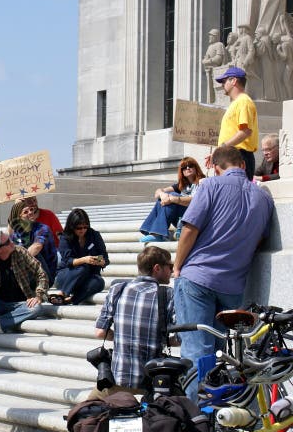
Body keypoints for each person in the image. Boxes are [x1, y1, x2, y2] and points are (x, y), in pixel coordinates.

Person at [173, 146, 274, 401]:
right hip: (233, 286)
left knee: (197, 351)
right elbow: (260, 240)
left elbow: (190, 229)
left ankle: (196, 417)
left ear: (216, 168)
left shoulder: (210, 186)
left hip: (198, 278)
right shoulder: (263, 198)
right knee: (219, 355)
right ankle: (213, 413)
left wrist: (177, 266)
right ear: (243, 165)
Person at [91, 246, 175, 399]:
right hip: (148, 387)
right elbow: (181, 338)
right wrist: (160, 339)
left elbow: (100, 332)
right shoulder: (168, 295)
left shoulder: (118, 289)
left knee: (83, 411)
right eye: (170, 266)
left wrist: (123, 336)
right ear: (157, 268)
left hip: (115, 383)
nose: (173, 270)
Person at [0, 231, 50, 334]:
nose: (12, 242)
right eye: (8, 242)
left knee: (37, 308)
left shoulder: (20, 252)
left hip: (20, 305)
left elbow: (41, 273)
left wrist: (39, 296)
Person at [205, 66, 258, 179]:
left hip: (238, 156)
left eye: (224, 81)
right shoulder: (237, 103)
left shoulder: (244, 101)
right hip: (232, 156)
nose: (222, 85)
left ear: (234, 81)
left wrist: (221, 148)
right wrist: (218, 152)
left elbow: (245, 131)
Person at [139, 157, 206, 242]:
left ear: (196, 167)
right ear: (182, 171)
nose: (188, 168)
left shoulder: (203, 182)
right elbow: (157, 192)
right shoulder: (181, 185)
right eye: (184, 167)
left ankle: (158, 234)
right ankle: (153, 232)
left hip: (195, 218)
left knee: (172, 195)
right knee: (162, 198)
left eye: (190, 165)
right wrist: (163, 195)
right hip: (182, 218)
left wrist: (173, 199)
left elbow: (196, 201)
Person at [53, 208, 109, 306]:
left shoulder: (94, 235)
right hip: (67, 276)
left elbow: (104, 256)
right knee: (83, 267)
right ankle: (63, 293)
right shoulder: (65, 238)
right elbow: (68, 261)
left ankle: (71, 300)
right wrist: (84, 260)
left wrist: (100, 261)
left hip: (87, 277)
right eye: (79, 228)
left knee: (99, 282)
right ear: (72, 226)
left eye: (85, 227)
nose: (82, 230)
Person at [8, 198, 58, 286]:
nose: (30, 213)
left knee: (33, 254)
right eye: (26, 212)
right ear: (18, 217)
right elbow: (9, 234)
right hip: (25, 274)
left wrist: (17, 263)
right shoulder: (17, 232)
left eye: (31, 209)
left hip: (45, 276)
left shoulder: (42, 228)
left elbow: (37, 247)